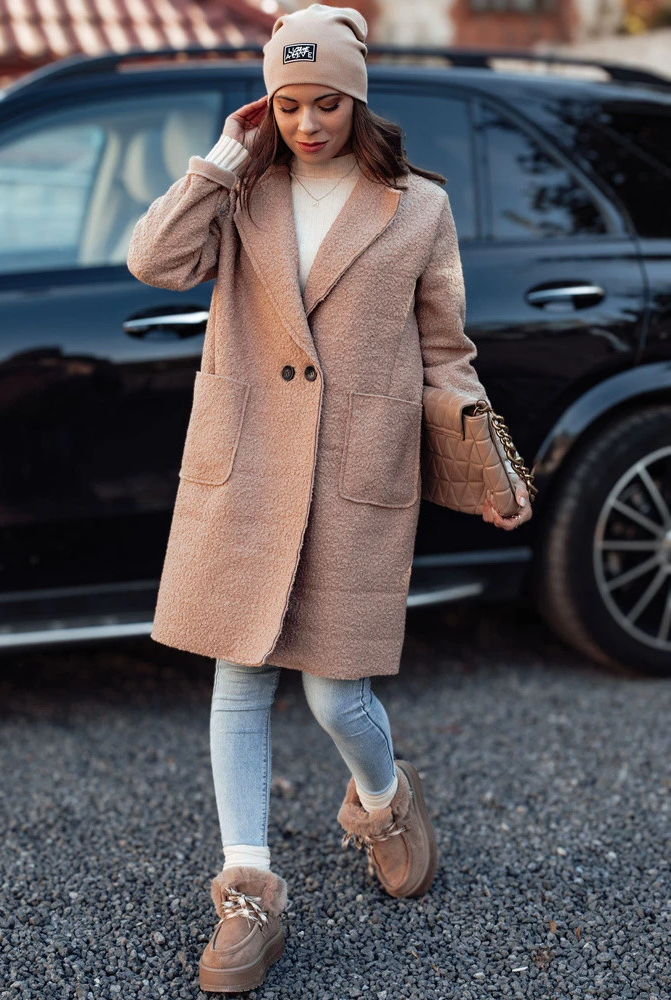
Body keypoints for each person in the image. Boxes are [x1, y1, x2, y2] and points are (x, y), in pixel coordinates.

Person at [127, 3, 533, 992]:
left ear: (358, 100)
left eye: (327, 103)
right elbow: (153, 261)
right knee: (238, 674)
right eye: (288, 103)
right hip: (248, 468)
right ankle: (248, 891)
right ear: (267, 105)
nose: (307, 123)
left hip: (357, 472)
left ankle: (385, 799)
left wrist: (488, 463)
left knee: (336, 693)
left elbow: (446, 352)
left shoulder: (418, 208)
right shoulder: (242, 193)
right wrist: (222, 158)